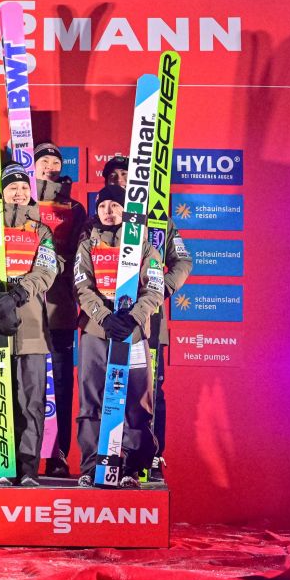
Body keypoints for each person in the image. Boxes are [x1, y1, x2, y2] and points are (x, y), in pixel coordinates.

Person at [0, 164, 60, 486]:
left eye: (23, 188)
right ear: (2, 192)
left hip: (30, 325)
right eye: (12, 187)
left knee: (32, 401)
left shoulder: (41, 231)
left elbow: (46, 270)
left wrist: (17, 295)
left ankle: (28, 469)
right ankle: (0, 467)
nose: (18, 193)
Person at [98, 155, 193, 481]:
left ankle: (149, 458)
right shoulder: (102, 220)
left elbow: (183, 261)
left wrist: (159, 288)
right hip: (109, 322)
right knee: (110, 389)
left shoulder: (158, 220)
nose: (120, 181)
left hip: (148, 321)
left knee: (148, 391)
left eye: (126, 175)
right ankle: (111, 457)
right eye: (114, 177)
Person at [73, 184, 164, 488]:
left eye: (114, 206)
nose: (108, 212)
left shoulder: (145, 247)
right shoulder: (88, 245)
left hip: (133, 334)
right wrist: (104, 317)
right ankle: (91, 466)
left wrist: (133, 317)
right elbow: (82, 287)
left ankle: (131, 468)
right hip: (96, 332)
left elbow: (154, 289)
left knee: (137, 402)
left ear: (125, 211)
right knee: (92, 401)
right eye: (102, 206)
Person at [32, 143, 87, 477]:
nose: (49, 166)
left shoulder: (74, 207)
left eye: (55, 161)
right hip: (25, 307)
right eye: (44, 160)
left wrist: (51, 264)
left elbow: (82, 255)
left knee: (61, 385)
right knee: (26, 384)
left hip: (60, 307)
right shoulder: (20, 197)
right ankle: (23, 455)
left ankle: (58, 455)